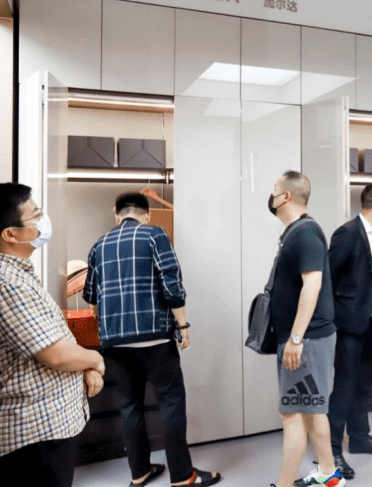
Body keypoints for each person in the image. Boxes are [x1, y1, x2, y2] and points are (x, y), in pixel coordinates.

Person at [83, 192, 220, 487]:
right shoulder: (154, 234)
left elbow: (91, 299)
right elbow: (172, 283)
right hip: (155, 337)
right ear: (147, 215)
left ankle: (140, 472)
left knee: (129, 404)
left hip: (115, 342)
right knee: (170, 401)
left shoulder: (98, 245)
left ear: (116, 214)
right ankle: (182, 476)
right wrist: (182, 325)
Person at [0, 182, 105, 487]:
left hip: (48, 429)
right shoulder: (8, 283)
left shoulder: (20, 273)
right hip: (36, 436)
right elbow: (55, 354)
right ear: (10, 234)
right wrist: (94, 359)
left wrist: (83, 365)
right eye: (36, 215)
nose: (44, 220)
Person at [266, 172, 343, 487]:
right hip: (305, 338)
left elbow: (313, 285)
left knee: (293, 415)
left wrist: (296, 339)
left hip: (306, 340)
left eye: (274, 189)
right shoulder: (294, 232)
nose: (271, 195)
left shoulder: (305, 233)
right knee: (311, 410)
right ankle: (329, 473)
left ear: (286, 196)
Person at [323, 182, 372, 481]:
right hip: (348, 324)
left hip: (370, 321)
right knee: (344, 385)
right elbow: (327, 278)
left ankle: (360, 437)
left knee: (363, 382)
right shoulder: (348, 233)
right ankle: (332, 450)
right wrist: (336, 317)